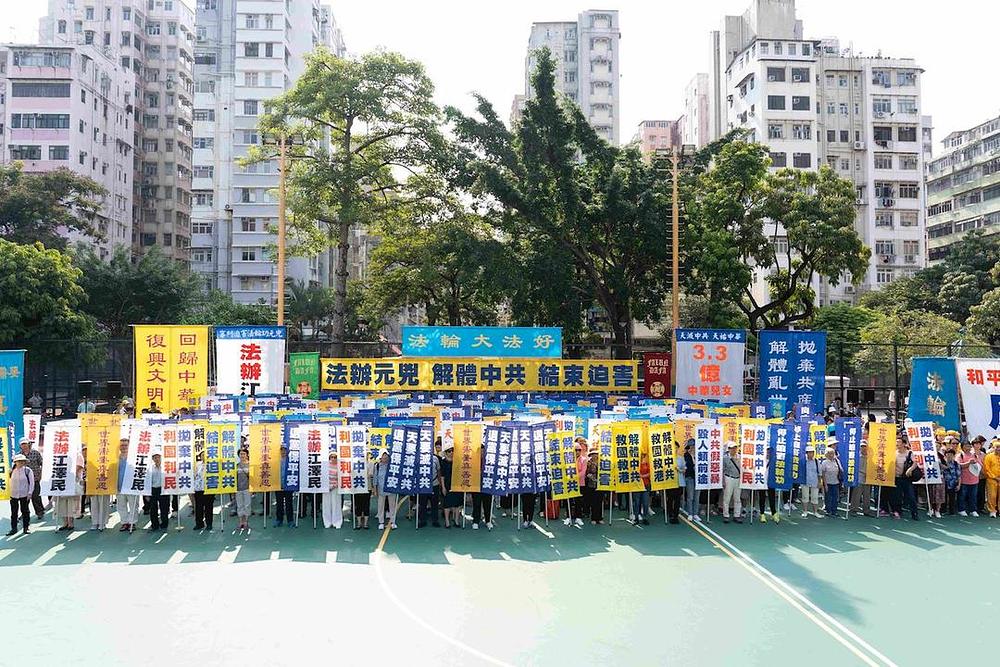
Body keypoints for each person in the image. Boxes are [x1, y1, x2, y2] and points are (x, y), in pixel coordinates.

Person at [56, 452, 85, 532]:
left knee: (71, 503)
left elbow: (79, 467)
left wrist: (68, 474)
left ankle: (70, 523)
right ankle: (65, 523)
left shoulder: (78, 455)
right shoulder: (61, 454)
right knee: (62, 503)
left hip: (73, 480)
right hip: (62, 481)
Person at [7, 454, 35, 536]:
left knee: (25, 511)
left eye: (22, 461)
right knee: (14, 512)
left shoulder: (28, 470)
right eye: (19, 461)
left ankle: (26, 527)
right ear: (15, 462)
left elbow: (32, 483)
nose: (21, 463)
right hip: (13, 494)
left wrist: (30, 493)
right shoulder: (11, 471)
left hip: (24, 494)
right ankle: (14, 528)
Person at [117, 438, 140, 532]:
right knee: (121, 506)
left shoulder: (134, 457)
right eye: (122, 445)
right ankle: (124, 523)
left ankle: (132, 523)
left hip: (131, 487)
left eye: (125, 445)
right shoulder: (115, 458)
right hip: (119, 486)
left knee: (133, 505)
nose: (123, 447)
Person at [18, 438, 45, 519]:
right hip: (23, 480)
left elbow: (42, 463)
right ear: (20, 446)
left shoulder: (35, 453)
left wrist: (41, 474)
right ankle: (25, 513)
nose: (24, 446)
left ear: (29, 444)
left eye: (25, 444)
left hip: (35, 478)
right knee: (24, 498)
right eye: (22, 444)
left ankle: (40, 512)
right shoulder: (19, 455)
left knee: (36, 496)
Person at [419, 446, 443, 528]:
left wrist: (440, 483)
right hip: (423, 484)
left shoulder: (435, 459)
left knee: (434, 504)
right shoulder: (420, 458)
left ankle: (435, 520)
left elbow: (439, 471)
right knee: (423, 504)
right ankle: (422, 520)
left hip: (434, 484)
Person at [373, 450, 398, 530]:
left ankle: (393, 522)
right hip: (381, 489)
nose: (385, 459)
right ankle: (381, 522)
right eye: (383, 457)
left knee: (392, 506)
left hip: (391, 488)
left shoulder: (392, 466)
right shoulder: (377, 466)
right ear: (380, 458)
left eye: (387, 457)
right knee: (380, 506)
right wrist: (375, 489)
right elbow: (375, 478)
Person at [956, 441, 982, 517]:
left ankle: (973, 510)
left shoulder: (974, 455)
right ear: (962, 447)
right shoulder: (960, 455)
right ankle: (961, 509)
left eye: (969, 446)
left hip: (974, 480)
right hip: (964, 480)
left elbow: (980, 464)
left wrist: (975, 464)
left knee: (973, 496)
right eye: (966, 446)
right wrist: (968, 463)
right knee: (962, 496)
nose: (968, 448)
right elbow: (959, 466)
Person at [440, 446, 463, 528]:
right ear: (446, 453)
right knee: (447, 504)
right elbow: (442, 476)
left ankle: (456, 521)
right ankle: (447, 522)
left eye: (452, 451)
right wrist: (443, 487)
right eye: (449, 451)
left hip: (457, 484)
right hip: (447, 484)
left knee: (457, 503)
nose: (451, 453)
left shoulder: (458, 461)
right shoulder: (443, 462)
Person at [273, 445, 295, 527]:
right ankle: (279, 519)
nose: (283, 452)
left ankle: (290, 520)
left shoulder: (291, 461)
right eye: (281, 450)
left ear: (288, 451)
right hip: (278, 485)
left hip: (288, 485)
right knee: (279, 503)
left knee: (289, 503)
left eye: (285, 450)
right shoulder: (276, 461)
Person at [849, 442, 872, 516]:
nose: (863, 448)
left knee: (867, 495)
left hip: (868, 478)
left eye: (865, 446)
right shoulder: (857, 456)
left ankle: (866, 511)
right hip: (859, 477)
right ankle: (853, 509)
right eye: (862, 446)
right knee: (856, 494)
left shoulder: (870, 457)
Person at [321, 450, 343, 529]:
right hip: (326, 488)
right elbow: (322, 477)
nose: (333, 459)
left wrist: (334, 486)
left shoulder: (340, 466)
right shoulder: (325, 466)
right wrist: (327, 486)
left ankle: (337, 522)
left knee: (336, 505)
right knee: (326, 505)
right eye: (332, 457)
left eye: (335, 457)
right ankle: (327, 522)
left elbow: (341, 478)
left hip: (336, 488)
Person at [721, 442, 742, 524]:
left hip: (738, 479)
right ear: (728, 449)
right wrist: (723, 481)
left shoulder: (740, 457)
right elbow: (722, 470)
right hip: (728, 478)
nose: (734, 449)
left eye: (735, 448)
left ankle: (737, 515)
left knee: (737, 498)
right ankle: (726, 515)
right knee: (727, 497)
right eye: (732, 448)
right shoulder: (725, 458)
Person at [148, 453, 170, 531]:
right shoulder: (150, 468)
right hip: (153, 489)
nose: (157, 459)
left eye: (158, 457)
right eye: (155, 458)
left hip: (164, 489)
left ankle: (164, 524)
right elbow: (147, 481)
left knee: (164, 508)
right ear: (153, 459)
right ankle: (154, 525)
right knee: (153, 509)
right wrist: (146, 494)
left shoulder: (166, 467)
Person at [819, 449, 843, 518]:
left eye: (832, 453)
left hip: (836, 482)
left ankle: (834, 511)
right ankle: (828, 511)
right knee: (828, 497)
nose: (831, 455)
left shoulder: (836, 461)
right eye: (829, 453)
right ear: (826, 454)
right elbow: (823, 474)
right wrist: (825, 484)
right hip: (828, 483)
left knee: (835, 498)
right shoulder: (824, 462)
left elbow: (841, 470)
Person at [193, 451, 213, 531]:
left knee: (209, 507)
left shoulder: (212, 464)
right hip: (198, 489)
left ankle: (209, 524)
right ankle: (199, 524)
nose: (204, 456)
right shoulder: (197, 464)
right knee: (198, 507)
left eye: (205, 455)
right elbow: (193, 475)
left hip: (209, 488)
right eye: (202, 455)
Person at [757, 446, 778, 523]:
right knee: (762, 498)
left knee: (772, 498)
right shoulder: (761, 460)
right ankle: (762, 514)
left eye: (770, 451)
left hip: (771, 482)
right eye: (768, 451)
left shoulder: (774, 461)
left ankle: (774, 513)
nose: (769, 453)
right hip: (762, 481)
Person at [800, 446, 821, 518]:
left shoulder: (816, 461)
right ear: (806, 453)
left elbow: (819, 472)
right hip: (805, 481)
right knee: (805, 497)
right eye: (809, 452)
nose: (811, 454)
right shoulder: (803, 461)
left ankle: (815, 512)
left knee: (815, 497)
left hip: (814, 481)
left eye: (812, 452)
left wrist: (819, 482)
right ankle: (805, 511)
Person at [584, 449, 604, 525]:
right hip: (591, 485)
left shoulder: (602, 463)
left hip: (601, 484)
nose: (595, 455)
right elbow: (587, 473)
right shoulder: (588, 463)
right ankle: (593, 518)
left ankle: (600, 517)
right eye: (593, 454)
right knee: (593, 502)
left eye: (596, 454)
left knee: (600, 501)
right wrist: (593, 478)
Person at [631, 449, 651, 525]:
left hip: (646, 484)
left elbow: (650, 473)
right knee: (637, 502)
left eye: (643, 455)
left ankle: (645, 517)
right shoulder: (634, 464)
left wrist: (642, 476)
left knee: (645, 502)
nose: (642, 456)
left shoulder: (646, 464)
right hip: (636, 485)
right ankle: (636, 517)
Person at [681, 440, 698, 521]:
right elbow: (685, 467)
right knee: (690, 497)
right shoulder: (685, 456)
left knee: (696, 497)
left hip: (698, 479)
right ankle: (690, 513)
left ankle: (695, 513)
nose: (692, 448)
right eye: (691, 446)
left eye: (694, 446)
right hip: (689, 477)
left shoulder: (700, 455)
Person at [941, 448, 961, 516]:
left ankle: (951, 511)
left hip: (953, 483)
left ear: (954, 455)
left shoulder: (956, 464)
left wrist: (959, 485)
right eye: (948, 454)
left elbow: (959, 475)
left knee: (952, 498)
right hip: (944, 483)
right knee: (944, 498)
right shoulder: (942, 463)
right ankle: (943, 510)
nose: (949, 456)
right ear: (945, 455)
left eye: (951, 454)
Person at [983, 439, 1000, 518]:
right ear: (993, 448)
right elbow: (986, 469)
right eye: (997, 447)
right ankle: (992, 510)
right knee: (992, 496)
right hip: (991, 479)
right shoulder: (989, 456)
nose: (998, 449)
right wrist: (994, 477)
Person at [236, 449, 252, 530]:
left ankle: (246, 522)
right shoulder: (236, 465)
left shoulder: (250, 465)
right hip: (238, 488)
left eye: (244, 454)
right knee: (239, 505)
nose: (242, 456)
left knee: (247, 505)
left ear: (247, 455)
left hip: (247, 488)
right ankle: (240, 522)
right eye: (241, 454)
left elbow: (252, 477)